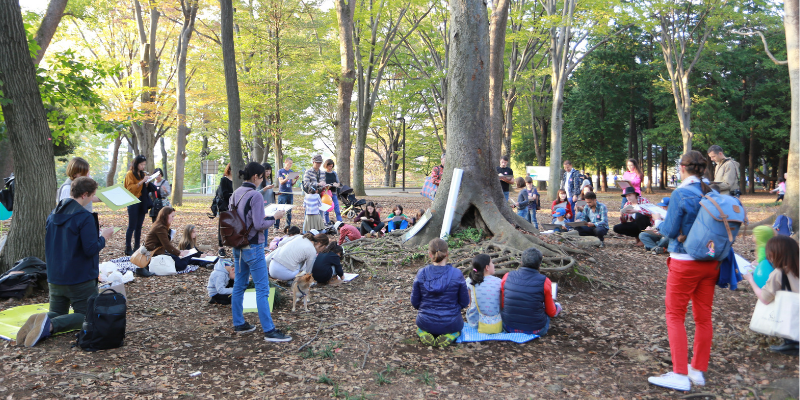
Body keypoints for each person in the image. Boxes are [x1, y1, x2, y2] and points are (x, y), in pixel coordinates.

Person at [647, 151, 720, 391]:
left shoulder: (681, 193)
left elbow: (668, 231)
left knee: (675, 316)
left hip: (684, 261)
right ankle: (697, 371)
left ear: (682, 168)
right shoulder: (713, 192)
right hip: (710, 262)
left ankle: (679, 373)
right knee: (703, 317)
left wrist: (657, 218)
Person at [17, 177, 114, 347]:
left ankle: (41, 320)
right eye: (92, 196)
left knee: (57, 311)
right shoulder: (85, 217)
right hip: (79, 277)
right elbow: (90, 249)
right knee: (89, 315)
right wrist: (104, 237)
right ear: (84, 195)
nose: (92, 199)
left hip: (55, 276)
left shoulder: (53, 214)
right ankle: (51, 325)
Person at [228, 162, 290, 342]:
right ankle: (269, 330)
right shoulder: (254, 195)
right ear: (256, 177)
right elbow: (258, 224)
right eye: (262, 177)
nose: (263, 180)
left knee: (239, 284)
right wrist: (274, 217)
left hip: (237, 245)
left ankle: (239, 323)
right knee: (262, 288)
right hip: (253, 246)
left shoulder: (236, 193)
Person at [743, 236, 799, 355]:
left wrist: (750, 279)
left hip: (792, 318)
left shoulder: (779, 273)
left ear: (774, 254)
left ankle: (792, 344)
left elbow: (765, 299)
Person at [410, 238, 469, 347]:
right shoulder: (457, 274)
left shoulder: (421, 273)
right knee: (458, 328)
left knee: (421, 326)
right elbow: (464, 302)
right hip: (452, 323)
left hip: (425, 322)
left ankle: (423, 333)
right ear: (447, 254)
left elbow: (415, 302)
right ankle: (451, 335)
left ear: (429, 254)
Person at [500, 247, 561, 336]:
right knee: (556, 306)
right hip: (536, 330)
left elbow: (503, 304)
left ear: (521, 262)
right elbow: (551, 312)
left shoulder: (507, 276)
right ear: (539, 265)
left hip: (508, 327)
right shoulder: (545, 281)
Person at [123, 155, 156, 256]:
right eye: (141, 164)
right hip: (132, 201)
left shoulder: (142, 174)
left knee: (139, 226)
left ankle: (136, 246)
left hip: (142, 201)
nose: (143, 166)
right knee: (131, 226)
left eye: (144, 165)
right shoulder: (130, 174)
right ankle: (128, 247)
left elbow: (143, 188)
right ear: (136, 164)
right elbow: (130, 189)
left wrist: (146, 182)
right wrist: (142, 181)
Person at [144, 207, 193, 273]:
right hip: (154, 255)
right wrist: (180, 253)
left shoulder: (160, 225)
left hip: (159, 252)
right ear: (165, 215)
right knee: (182, 264)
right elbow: (167, 245)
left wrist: (179, 252)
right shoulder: (160, 227)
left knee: (182, 258)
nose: (173, 219)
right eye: (172, 216)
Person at [465, 254, 502, 329]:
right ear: (487, 267)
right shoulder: (499, 281)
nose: (493, 265)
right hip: (496, 322)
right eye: (492, 262)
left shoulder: (469, 280)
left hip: (474, 322)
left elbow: (469, 303)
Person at [216, 164, 235, 256]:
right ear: (230, 170)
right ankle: (221, 247)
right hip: (225, 206)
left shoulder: (238, 181)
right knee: (222, 226)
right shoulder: (224, 180)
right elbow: (224, 194)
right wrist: (235, 195)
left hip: (235, 206)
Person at [276, 158, 297, 230]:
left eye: (291, 163)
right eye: (289, 163)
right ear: (285, 162)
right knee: (279, 210)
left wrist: (296, 179)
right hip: (282, 193)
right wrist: (287, 178)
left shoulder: (291, 172)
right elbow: (281, 182)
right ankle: (276, 227)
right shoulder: (280, 171)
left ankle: (287, 226)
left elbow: (292, 183)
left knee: (289, 211)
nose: (290, 165)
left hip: (289, 193)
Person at [323, 159, 343, 224]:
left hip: (333, 193)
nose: (330, 168)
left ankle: (340, 222)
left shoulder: (334, 173)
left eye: (331, 166)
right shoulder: (323, 173)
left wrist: (335, 184)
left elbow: (338, 183)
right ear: (326, 166)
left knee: (337, 208)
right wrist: (326, 185)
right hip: (326, 193)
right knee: (326, 210)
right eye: (329, 166)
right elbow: (321, 183)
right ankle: (326, 223)